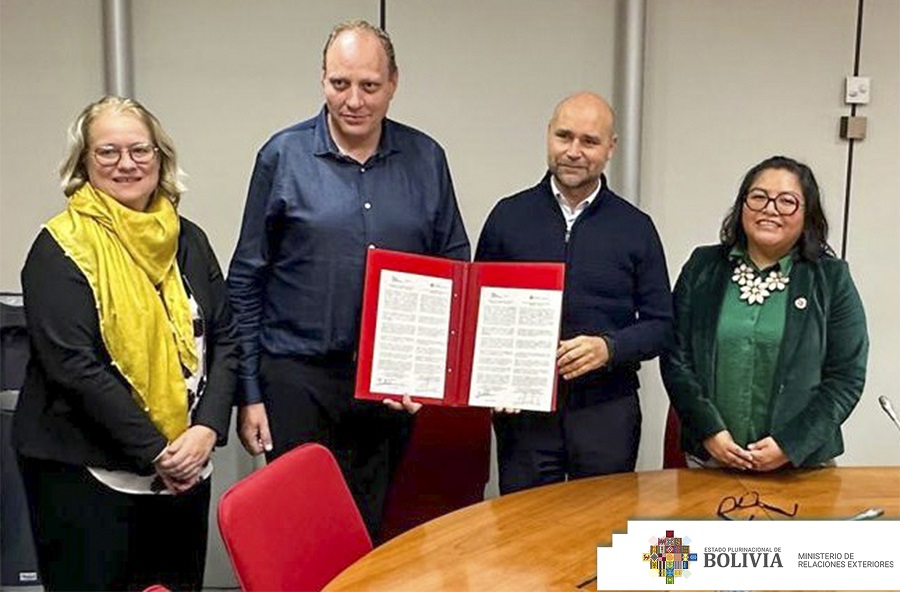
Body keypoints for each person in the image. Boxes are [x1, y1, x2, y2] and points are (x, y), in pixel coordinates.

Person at [227, 20, 472, 540]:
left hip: (388, 388)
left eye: (369, 85)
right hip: (296, 379)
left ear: (393, 83)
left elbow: (453, 268)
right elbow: (246, 278)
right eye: (340, 84)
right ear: (322, 79)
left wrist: (429, 370)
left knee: (371, 532)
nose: (354, 101)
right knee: (301, 535)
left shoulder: (427, 158)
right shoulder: (282, 156)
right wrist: (249, 393)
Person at [12, 96, 238, 590]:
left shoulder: (188, 240)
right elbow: (74, 367)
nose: (126, 164)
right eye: (108, 152)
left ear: (160, 157)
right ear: (84, 163)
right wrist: (159, 452)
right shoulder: (58, 248)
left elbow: (226, 339)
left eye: (139, 150)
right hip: (87, 474)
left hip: (186, 468)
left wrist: (207, 429)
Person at [475, 93, 673, 494]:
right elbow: (478, 311)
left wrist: (609, 348)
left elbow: (661, 326)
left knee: (600, 523)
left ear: (610, 147)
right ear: (548, 134)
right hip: (525, 412)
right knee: (525, 523)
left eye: (589, 141)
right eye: (564, 136)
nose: (573, 152)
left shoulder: (636, 227)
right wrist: (494, 380)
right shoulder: (508, 217)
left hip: (606, 410)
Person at [661, 155, 868, 471]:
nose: (770, 209)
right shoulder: (703, 267)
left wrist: (790, 445)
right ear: (742, 205)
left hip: (801, 467)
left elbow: (846, 377)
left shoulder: (830, 279)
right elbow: (676, 358)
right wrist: (710, 432)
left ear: (807, 214)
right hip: (711, 460)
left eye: (787, 201)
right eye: (758, 197)